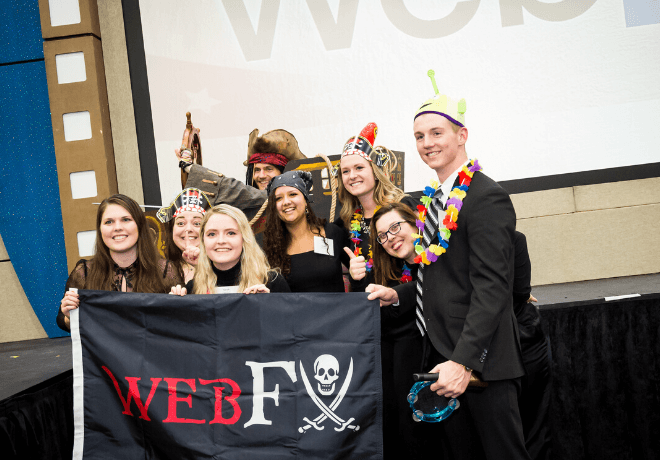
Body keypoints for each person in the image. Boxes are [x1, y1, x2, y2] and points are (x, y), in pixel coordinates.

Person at [368, 73, 529, 460]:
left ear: (462, 135)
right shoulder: (430, 202)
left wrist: (463, 362)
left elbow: (492, 288)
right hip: (439, 358)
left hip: (479, 365)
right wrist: (399, 294)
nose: (427, 144)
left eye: (436, 133)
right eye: (419, 137)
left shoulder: (485, 197)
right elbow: (437, 276)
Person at [367, 202, 435, 458]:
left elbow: (430, 283)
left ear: (415, 221)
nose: (390, 238)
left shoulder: (442, 253)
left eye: (395, 227)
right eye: (383, 236)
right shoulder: (392, 269)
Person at [57, 194, 182, 332]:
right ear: (100, 229)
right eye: (108, 222)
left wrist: (179, 307)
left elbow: (180, 326)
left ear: (140, 225)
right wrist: (70, 316)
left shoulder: (165, 270)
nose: (117, 227)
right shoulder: (84, 272)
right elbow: (64, 323)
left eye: (126, 219)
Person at [335, 122, 415, 290]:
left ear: (375, 172)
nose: (352, 176)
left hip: (408, 306)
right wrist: (355, 275)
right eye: (346, 171)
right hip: (372, 310)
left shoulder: (403, 207)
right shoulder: (345, 224)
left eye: (359, 168)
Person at [176, 128, 306, 224]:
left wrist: (191, 168)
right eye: (257, 170)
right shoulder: (248, 206)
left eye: (268, 169)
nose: (261, 175)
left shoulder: (294, 200)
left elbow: (238, 191)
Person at [170, 204, 290, 295]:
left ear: (244, 238)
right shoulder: (193, 288)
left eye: (231, 233)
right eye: (212, 234)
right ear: (203, 241)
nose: (221, 241)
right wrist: (176, 308)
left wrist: (269, 305)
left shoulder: (272, 282)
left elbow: (290, 325)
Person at [262, 170, 350, 292]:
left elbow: (360, 274)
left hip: (337, 310)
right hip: (293, 311)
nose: (286, 202)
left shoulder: (332, 233)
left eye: (292, 194)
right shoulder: (269, 247)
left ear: (305, 199)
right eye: (278, 198)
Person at [513, 231, 552, 460]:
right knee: (534, 426)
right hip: (521, 338)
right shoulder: (514, 238)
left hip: (521, 338)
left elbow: (520, 291)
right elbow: (520, 291)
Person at [157, 188, 213, 284]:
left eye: (197, 223)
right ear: (172, 229)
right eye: (181, 223)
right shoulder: (158, 271)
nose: (188, 229)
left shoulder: (224, 266)